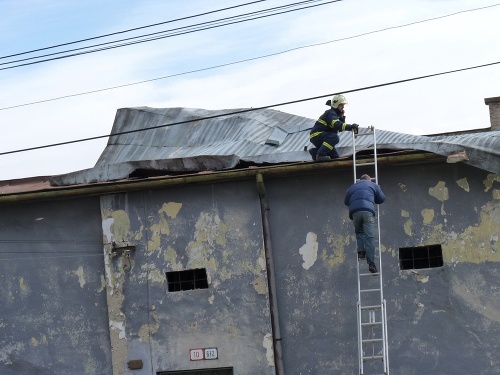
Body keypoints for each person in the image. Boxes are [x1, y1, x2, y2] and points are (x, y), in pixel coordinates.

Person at [344, 174, 385, 273]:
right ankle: (371, 264)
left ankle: (361, 252)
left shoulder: (352, 187)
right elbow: (381, 199)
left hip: (355, 213)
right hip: (367, 212)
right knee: (369, 238)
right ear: (369, 180)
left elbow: (346, 201)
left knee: (359, 232)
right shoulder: (373, 185)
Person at [308, 94, 359, 161]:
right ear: (336, 104)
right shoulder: (331, 113)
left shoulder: (334, 115)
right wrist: (351, 127)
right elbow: (337, 125)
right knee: (335, 137)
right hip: (317, 135)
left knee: (335, 157)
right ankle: (320, 155)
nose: (343, 107)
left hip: (320, 136)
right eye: (341, 105)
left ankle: (315, 152)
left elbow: (339, 128)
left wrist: (341, 117)